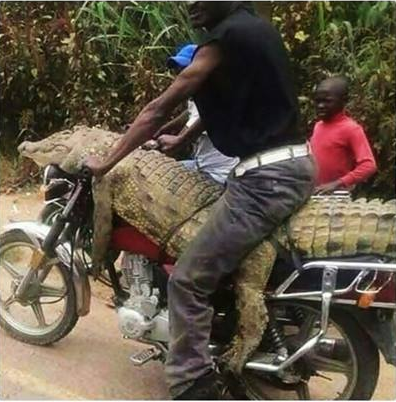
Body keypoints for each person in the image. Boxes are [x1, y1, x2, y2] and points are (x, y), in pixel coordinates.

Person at [86, 2, 315, 399]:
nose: (190, 3)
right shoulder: (254, 29)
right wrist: (183, 140)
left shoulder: (224, 38)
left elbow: (158, 109)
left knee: (189, 280)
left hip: (265, 180)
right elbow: (238, 103)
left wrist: (106, 161)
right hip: (290, 166)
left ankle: (191, 383)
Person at [154, 44, 239, 185]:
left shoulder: (213, 100)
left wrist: (150, 145)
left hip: (218, 175)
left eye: (185, 69)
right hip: (201, 165)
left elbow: (178, 142)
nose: (180, 74)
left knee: (160, 181)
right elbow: (188, 114)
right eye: (179, 70)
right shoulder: (198, 97)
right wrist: (161, 130)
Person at [310, 77, 377, 194]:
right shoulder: (318, 126)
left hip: (337, 195)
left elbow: (368, 165)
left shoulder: (351, 129)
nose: (320, 105)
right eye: (318, 101)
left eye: (327, 101)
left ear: (343, 101)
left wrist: (337, 183)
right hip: (315, 193)